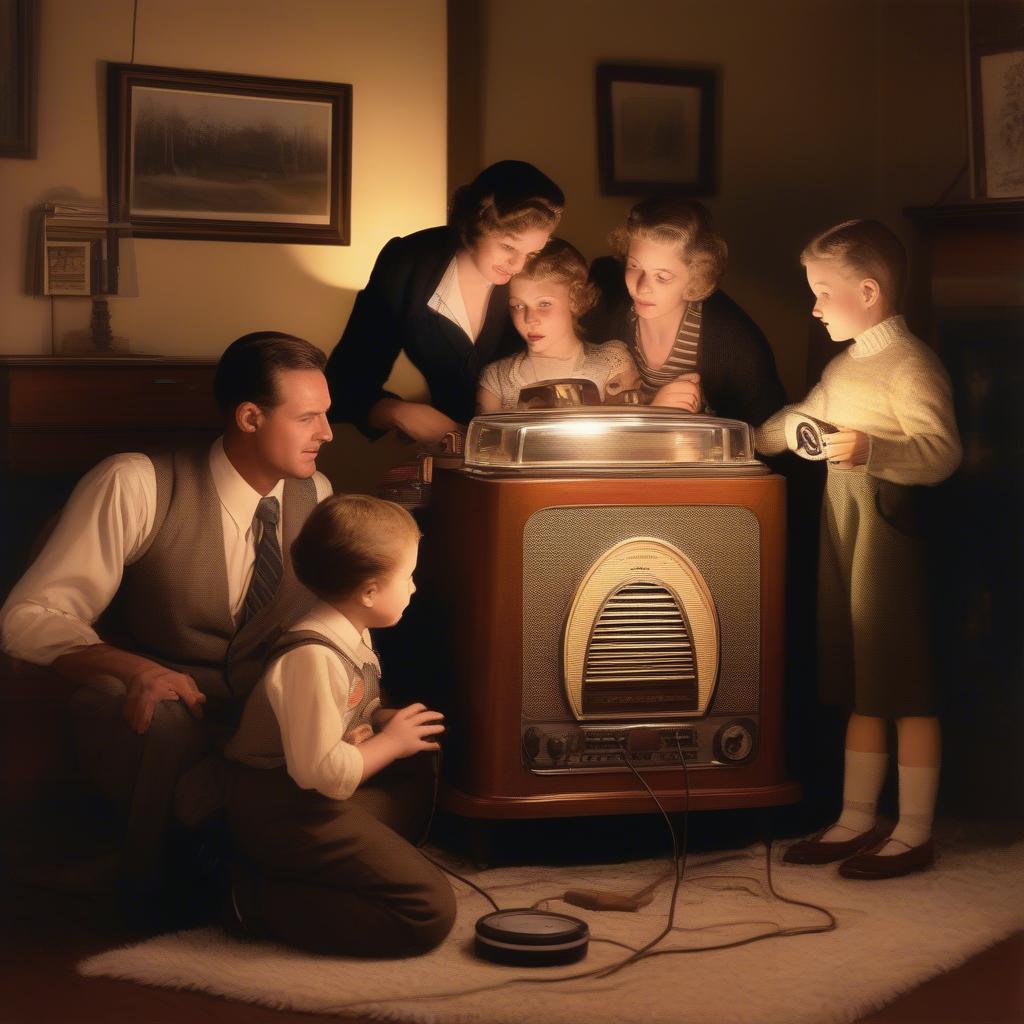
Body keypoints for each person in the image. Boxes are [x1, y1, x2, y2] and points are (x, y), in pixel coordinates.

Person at [0, 332, 334, 912]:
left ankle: (244, 879)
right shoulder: (135, 483)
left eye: (326, 415)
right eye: (308, 418)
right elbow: (27, 617)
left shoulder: (318, 494)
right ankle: (147, 888)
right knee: (169, 721)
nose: (327, 434)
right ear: (250, 417)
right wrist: (129, 667)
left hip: (258, 709)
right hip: (150, 712)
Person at [756, 220, 961, 879]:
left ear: (867, 292)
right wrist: (793, 426)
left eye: (821, 291)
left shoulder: (911, 365)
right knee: (860, 680)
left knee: (902, 679)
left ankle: (915, 828)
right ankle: (854, 815)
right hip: (843, 530)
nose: (813, 307)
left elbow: (942, 453)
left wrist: (876, 450)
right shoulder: (843, 368)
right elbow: (782, 427)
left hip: (888, 535)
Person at [223, 494, 454, 955]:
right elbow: (320, 773)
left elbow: (348, 706)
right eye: (407, 577)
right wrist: (389, 742)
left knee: (420, 772)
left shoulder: (351, 628)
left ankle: (338, 871)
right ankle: (247, 898)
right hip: (281, 808)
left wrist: (383, 720)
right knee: (428, 911)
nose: (413, 587)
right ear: (369, 591)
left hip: (310, 799)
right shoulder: (311, 657)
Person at [326, 160, 564, 442]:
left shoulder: (552, 270)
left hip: (539, 445)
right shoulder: (409, 264)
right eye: (508, 246)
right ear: (475, 221)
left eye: (532, 252)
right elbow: (346, 384)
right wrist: (400, 412)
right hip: (445, 452)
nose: (517, 264)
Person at [585, 195, 786, 427]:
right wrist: (653, 412)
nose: (642, 287)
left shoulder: (734, 340)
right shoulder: (604, 306)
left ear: (696, 276)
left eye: (662, 277)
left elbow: (771, 436)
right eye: (634, 266)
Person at [476, 239, 639, 412]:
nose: (530, 319)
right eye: (518, 306)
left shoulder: (612, 364)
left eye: (544, 304)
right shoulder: (497, 379)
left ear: (575, 300)